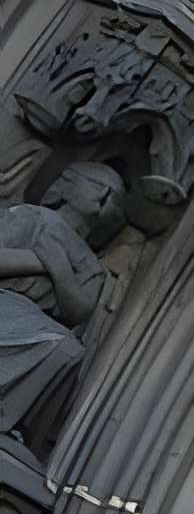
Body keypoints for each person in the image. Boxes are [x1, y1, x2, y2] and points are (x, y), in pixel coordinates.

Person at [0, 164, 114, 449]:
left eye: (114, 193)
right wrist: (39, 260)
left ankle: (9, 420)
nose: (104, 193)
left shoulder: (92, 264)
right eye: (94, 183)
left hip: (41, 320)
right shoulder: (32, 217)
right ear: (65, 183)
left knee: (67, 348)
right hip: (6, 301)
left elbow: (80, 309)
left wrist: (59, 268)